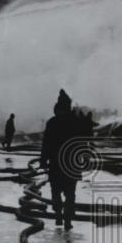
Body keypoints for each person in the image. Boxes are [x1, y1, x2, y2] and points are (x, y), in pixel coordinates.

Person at [41, 89, 82, 229]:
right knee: (70, 193)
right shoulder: (76, 122)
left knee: (56, 190)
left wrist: (43, 160)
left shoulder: (52, 122)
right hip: (71, 163)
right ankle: (68, 220)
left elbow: (46, 143)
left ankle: (58, 215)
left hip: (56, 163)